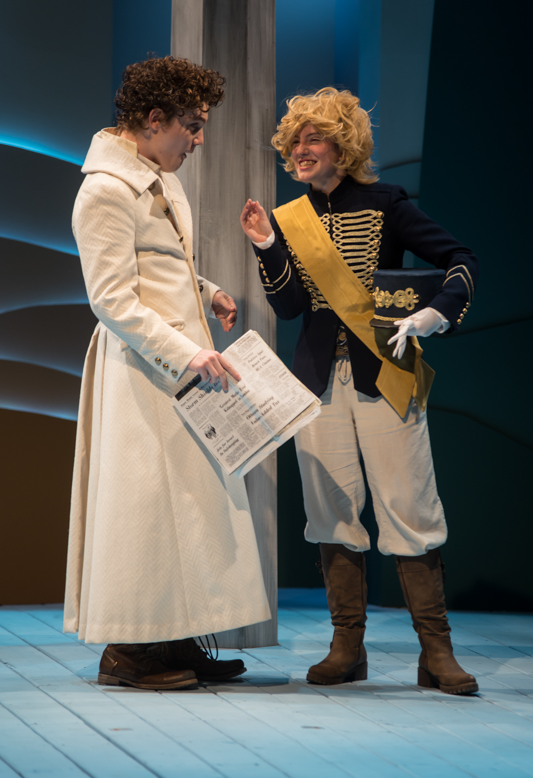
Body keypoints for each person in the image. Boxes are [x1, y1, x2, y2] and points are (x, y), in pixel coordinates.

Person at [240, 87, 479, 695]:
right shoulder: (290, 217)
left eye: (314, 139)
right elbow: (290, 306)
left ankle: (436, 652)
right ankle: (347, 647)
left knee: (410, 509)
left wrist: (435, 314)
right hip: (318, 382)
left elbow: (459, 260)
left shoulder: (385, 203)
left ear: (342, 147)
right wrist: (267, 244)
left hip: (385, 375)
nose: (301, 150)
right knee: (331, 514)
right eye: (295, 141)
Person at [63, 56, 270, 690]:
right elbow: (112, 298)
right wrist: (186, 352)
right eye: (192, 126)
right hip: (142, 371)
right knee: (146, 509)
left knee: (188, 506)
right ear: (154, 119)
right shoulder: (105, 190)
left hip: (180, 366)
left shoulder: (161, 177)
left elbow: (160, 262)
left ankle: (176, 639)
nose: (199, 139)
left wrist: (206, 291)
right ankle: (128, 653)